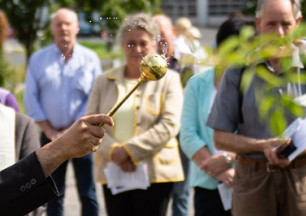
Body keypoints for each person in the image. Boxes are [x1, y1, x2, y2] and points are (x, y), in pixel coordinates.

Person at [207, 0, 306, 215]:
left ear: (297, 23)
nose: (279, 33)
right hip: (253, 181)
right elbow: (220, 137)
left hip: (302, 180)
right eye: (271, 24)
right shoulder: (239, 70)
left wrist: (293, 149)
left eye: (286, 24)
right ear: (258, 24)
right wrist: (263, 146)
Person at [86, 13, 184, 216]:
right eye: (131, 43)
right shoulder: (103, 81)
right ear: (122, 44)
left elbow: (170, 124)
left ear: (154, 45)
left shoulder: (170, 80)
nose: (137, 49)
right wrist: (113, 151)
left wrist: (130, 151)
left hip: (156, 173)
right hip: (113, 170)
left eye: (143, 43)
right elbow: (90, 126)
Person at [23, 8, 102, 216]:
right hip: (50, 137)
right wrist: (49, 130)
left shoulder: (90, 59)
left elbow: (95, 97)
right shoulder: (38, 59)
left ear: (77, 28)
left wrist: (74, 129)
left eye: (68, 24)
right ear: (52, 29)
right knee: (52, 193)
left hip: (83, 134)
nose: (63, 28)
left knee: (88, 192)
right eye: (59, 24)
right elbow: (30, 97)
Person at [180, 14, 255, 216]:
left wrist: (228, 160)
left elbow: (260, 134)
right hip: (207, 182)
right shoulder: (197, 84)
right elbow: (187, 134)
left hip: (249, 180)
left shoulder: (256, 85)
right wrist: (217, 169)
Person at [0, 114, 114, 216]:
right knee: (57, 197)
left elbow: (35, 206)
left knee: (87, 193)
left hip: (78, 134)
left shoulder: (19, 122)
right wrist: (59, 147)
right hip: (51, 135)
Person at [153, 14, 191, 216]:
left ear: (173, 33)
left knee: (181, 194)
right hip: (153, 136)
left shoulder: (186, 64)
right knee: (155, 195)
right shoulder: (146, 66)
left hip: (181, 135)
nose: (159, 38)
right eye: (154, 33)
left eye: (162, 32)